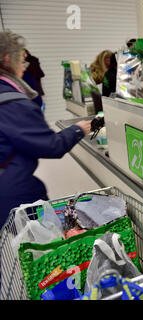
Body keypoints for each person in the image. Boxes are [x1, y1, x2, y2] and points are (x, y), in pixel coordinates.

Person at [0, 31, 92, 227]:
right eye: (22, 62)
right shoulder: (13, 102)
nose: (24, 69)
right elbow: (51, 146)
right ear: (8, 59)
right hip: (9, 191)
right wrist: (78, 129)